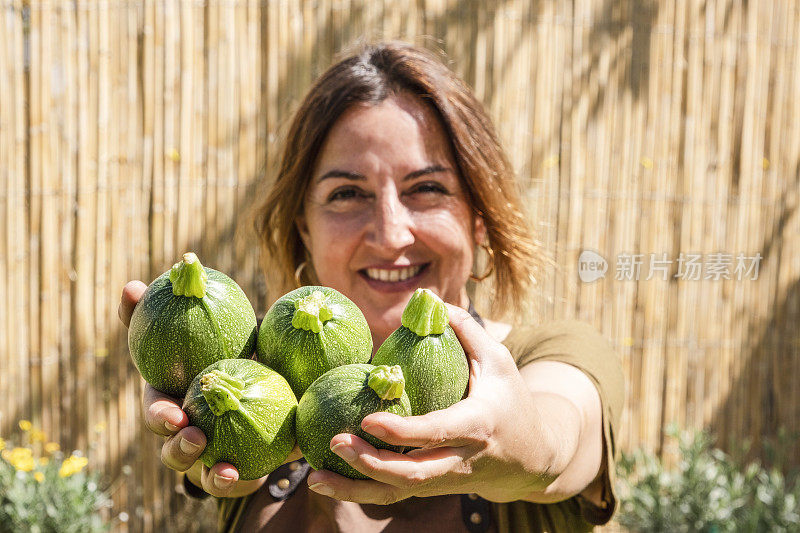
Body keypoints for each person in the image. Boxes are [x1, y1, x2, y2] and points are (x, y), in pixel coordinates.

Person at [118, 41, 624, 532]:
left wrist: (524, 450)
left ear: (479, 217)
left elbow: (561, 435)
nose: (390, 234)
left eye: (426, 188)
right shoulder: (249, 379)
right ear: (304, 229)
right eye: (346, 193)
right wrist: (206, 420)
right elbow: (216, 448)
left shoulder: (552, 355)